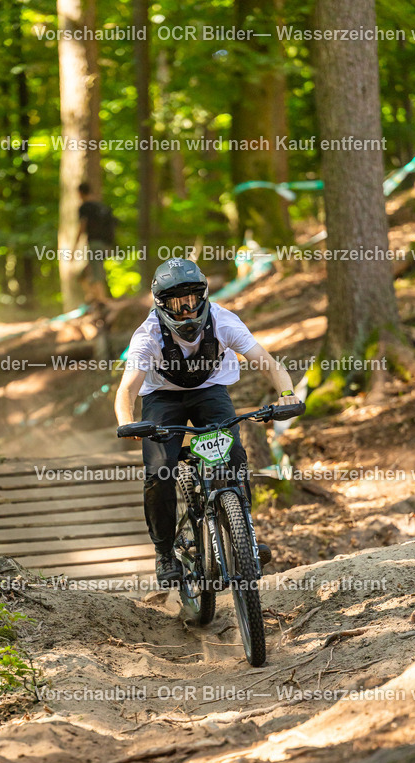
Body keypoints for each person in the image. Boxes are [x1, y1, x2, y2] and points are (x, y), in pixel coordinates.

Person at [115, 257, 299, 585]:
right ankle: (165, 552)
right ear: (161, 304)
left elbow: (268, 363)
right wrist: (127, 420)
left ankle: (245, 538)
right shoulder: (148, 335)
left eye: (191, 299)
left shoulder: (224, 322)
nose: (186, 310)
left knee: (235, 458)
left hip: (209, 391)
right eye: (176, 303)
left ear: (202, 296)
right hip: (162, 398)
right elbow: (127, 388)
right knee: (159, 471)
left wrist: (286, 394)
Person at [74, 182, 117, 306]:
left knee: (96, 272)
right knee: (84, 274)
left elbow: (82, 227)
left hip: (95, 244)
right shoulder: (102, 207)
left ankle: (102, 301)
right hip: (107, 244)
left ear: (80, 193)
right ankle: (92, 298)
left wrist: (74, 246)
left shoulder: (85, 207)